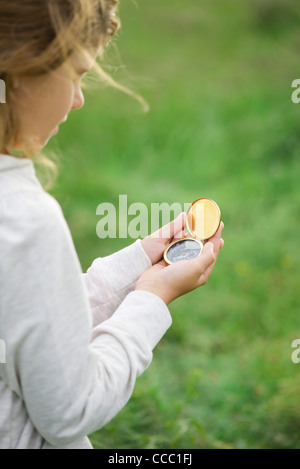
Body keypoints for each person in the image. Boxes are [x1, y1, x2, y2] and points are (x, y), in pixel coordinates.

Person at [0, 0, 224, 449]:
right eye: (77, 74)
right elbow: (72, 409)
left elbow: (32, 321)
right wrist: (152, 298)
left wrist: (140, 260)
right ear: (21, 68)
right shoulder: (26, 221)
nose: (79, 99)